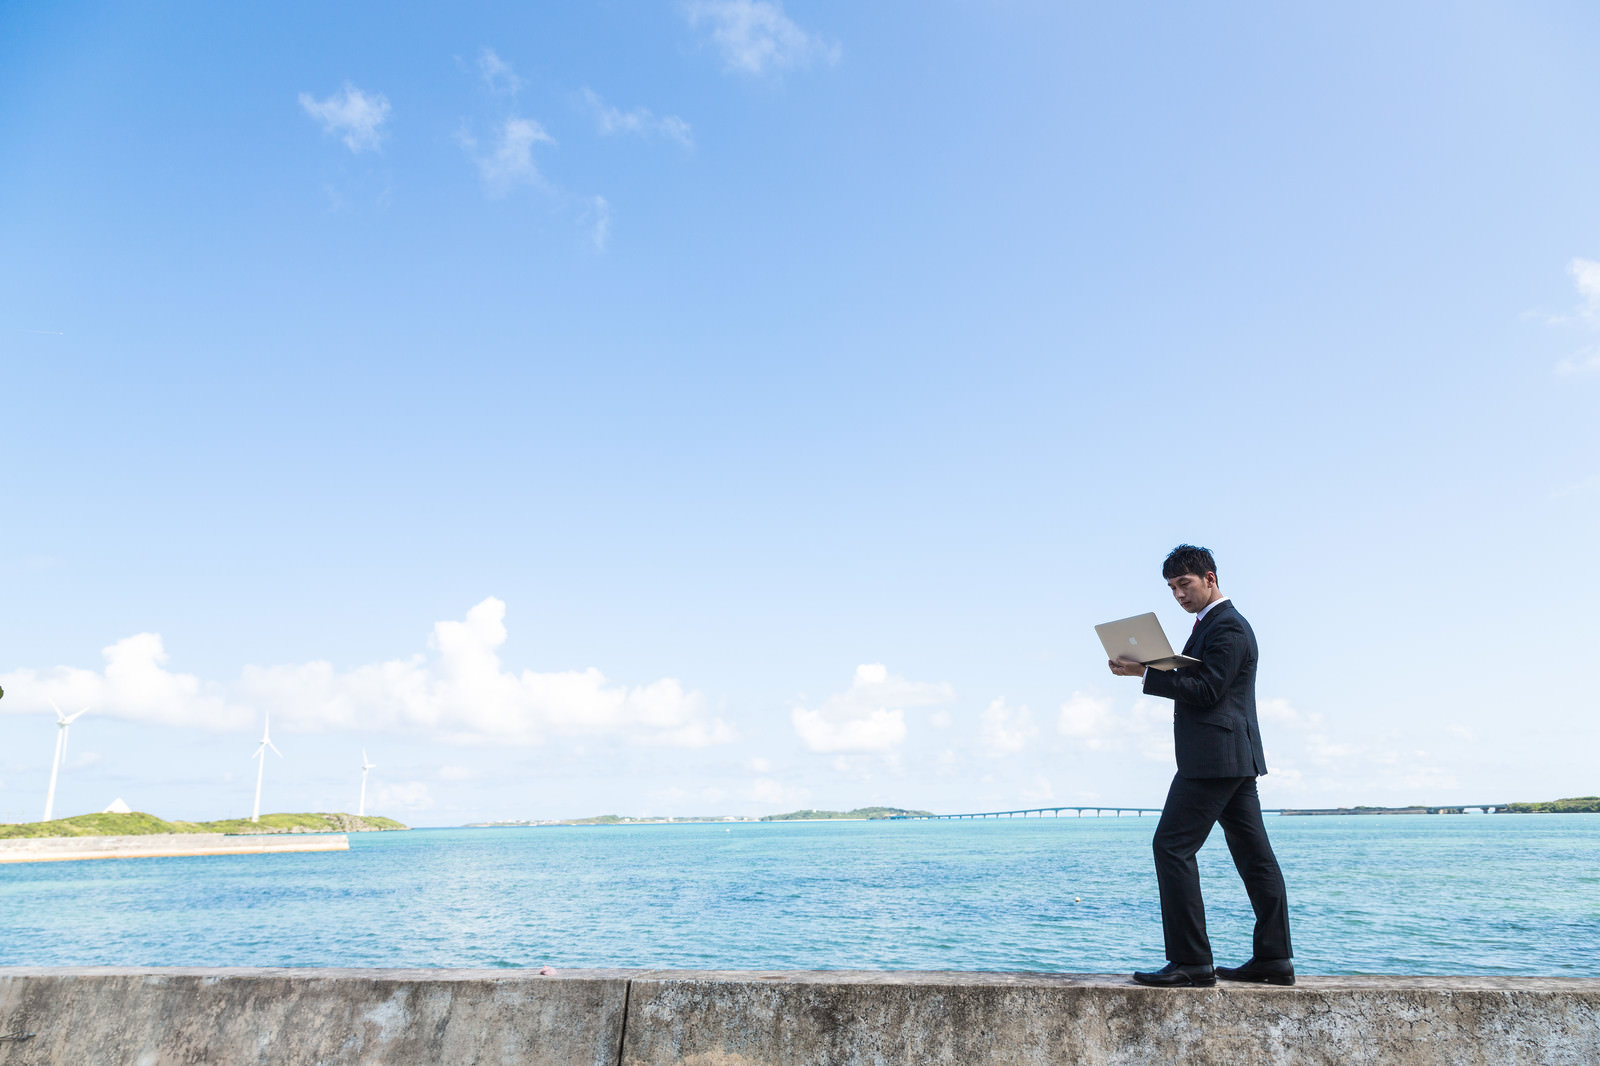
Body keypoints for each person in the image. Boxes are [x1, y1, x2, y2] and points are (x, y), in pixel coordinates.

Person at [1108, 544, 1294, 987]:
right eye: (1172, 587)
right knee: (1255, 859)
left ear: (1210, 578)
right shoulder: (1211, 626)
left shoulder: (1228, 627)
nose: (1178, 594)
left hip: (1215, 759)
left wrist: (1146, 675)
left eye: (1184, 584)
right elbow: (1202, 679)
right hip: (1229, 757)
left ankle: (1192, 962)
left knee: (1171, 847)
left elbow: (1209, 689)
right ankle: (1274, 960)